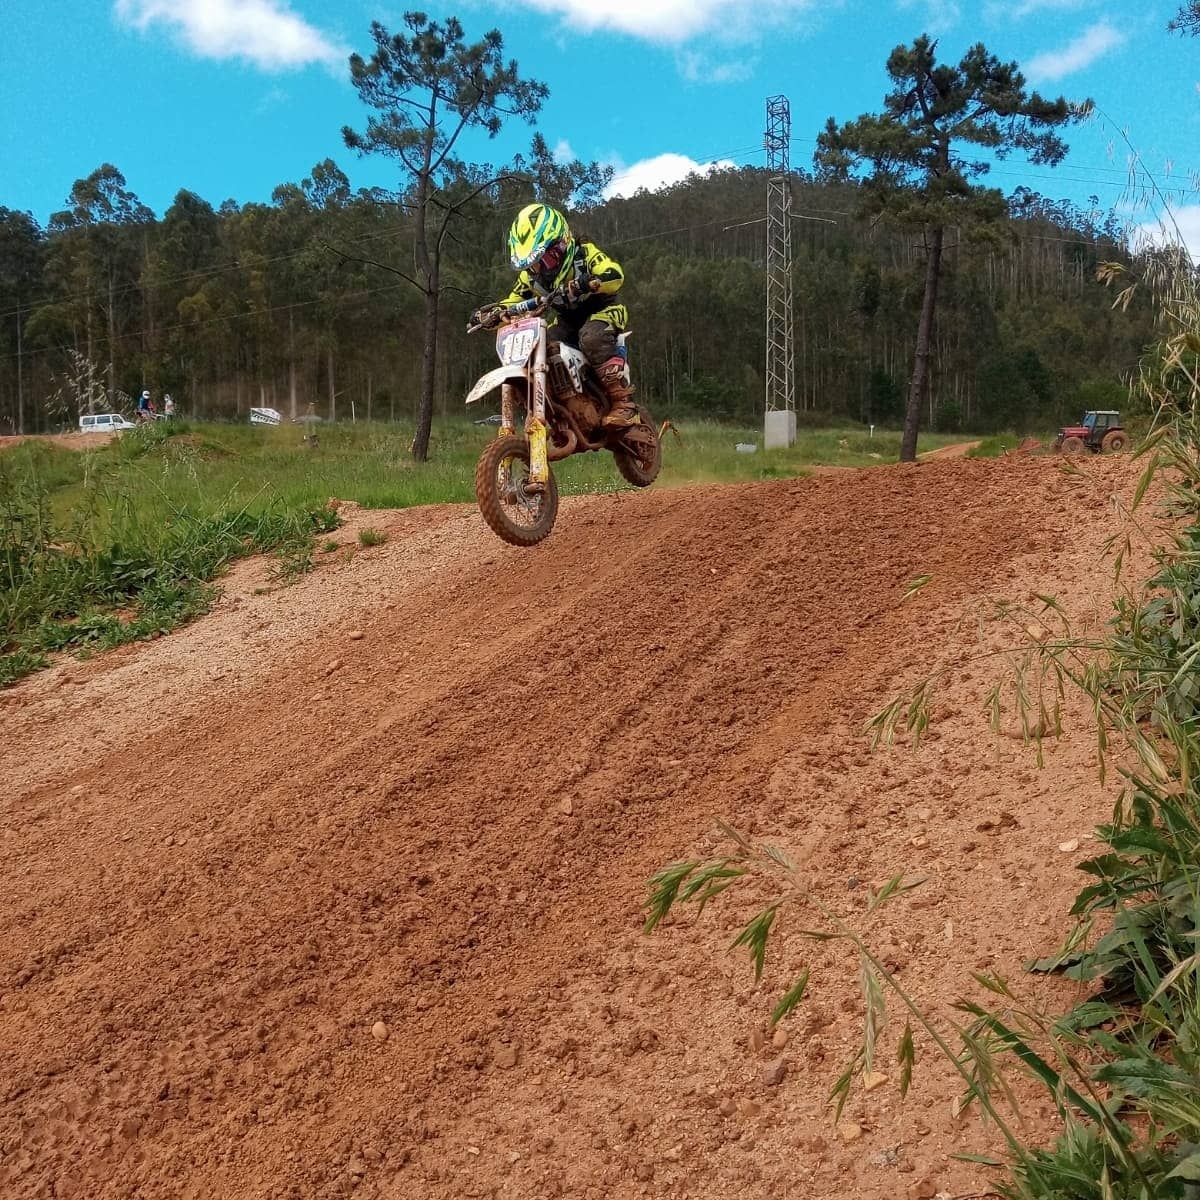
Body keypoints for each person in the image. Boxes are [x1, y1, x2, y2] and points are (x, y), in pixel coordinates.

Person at [474, 203, 638, 427]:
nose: (540, 269)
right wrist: (494, 314)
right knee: (539, 346)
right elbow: (513, 301)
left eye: (546, 260)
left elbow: (614, 274)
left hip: (603, 312)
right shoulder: (530, 278)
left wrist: (589, 282)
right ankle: (561, 404)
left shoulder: (584, 254)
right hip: (567, 322)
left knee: (592, 337)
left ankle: (623, 404)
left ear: (563, 243)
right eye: (532, 265)